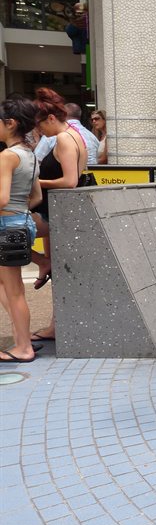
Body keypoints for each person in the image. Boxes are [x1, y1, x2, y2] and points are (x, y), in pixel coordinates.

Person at [29, 87, 88, 343]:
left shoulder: (64, 139)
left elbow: (70, 181)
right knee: (63, 274)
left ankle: (42, 262)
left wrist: (37, 182)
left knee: (7, 231)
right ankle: (55, 326)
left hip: (55, 212)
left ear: (51, 118)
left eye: (40, 125)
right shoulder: (76, 136)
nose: (40, 131)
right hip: (63, 212)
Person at [0, 95, 42, 363]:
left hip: (6, 225)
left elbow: (2, 199)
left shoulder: (7, 156)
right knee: (11, 288)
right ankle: (21, 336)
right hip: (22, 223)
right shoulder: (29, 155)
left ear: (11, 123)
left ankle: (23, 347)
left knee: (13, 290)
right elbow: (36, 196)